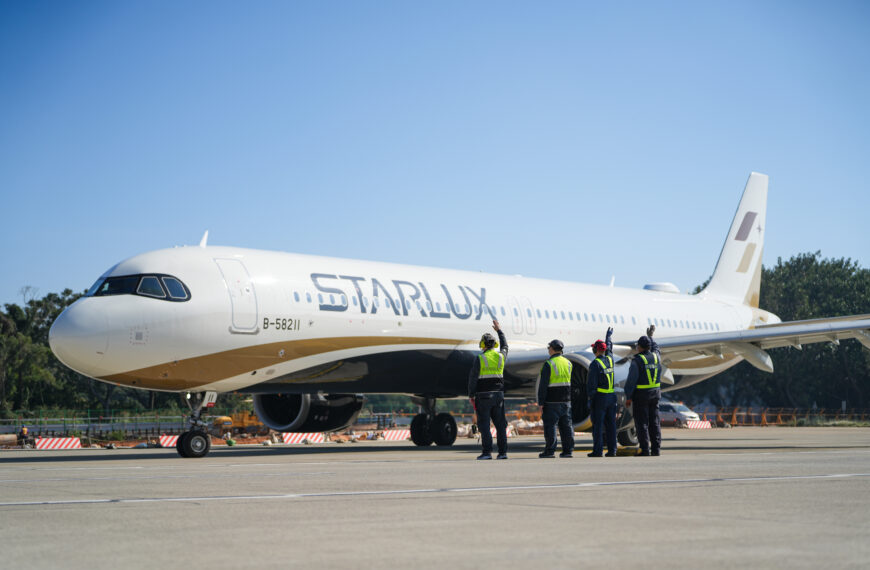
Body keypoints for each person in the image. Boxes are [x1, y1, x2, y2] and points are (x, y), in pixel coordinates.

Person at [468, 319, 509, 460]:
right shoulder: (500, 357)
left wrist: (471, 395)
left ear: (483, 344)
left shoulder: (480, 358)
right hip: (499, 396)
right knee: (500, 425)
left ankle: (487, 453)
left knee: (484, 425)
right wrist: (499, 331)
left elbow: (473, 378)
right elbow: (505, 346)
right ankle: (503, 453)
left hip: (483, 396)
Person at [624, 325, 662, 456]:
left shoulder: (637, 361)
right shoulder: (657, 357)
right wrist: (651, 337)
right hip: (655, 395)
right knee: (654, 423)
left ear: (639, 347)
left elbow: (631, 381)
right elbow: (657, 348)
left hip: (641, 396)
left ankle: (645, 449)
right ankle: (656, 449)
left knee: (642, 424)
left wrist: (628, 396)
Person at [536, 339, 574, 458]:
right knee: (567, 427)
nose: (548, 350)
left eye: (549, 348)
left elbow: (543, 385)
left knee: (551, 427)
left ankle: (550, 451)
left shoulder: (549, 364)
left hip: (552, 401)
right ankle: (568, 451)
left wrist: (541, 402)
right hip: (566, 401)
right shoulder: (568, 363)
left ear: (552, 349)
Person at [587, 327, 617, 457]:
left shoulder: (595, 364)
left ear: (595, 350)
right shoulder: (610, 359)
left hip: (600, 398)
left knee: (598, 426)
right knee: (611, 425)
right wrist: (608, 338)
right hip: (612, 397)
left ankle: (597, 451)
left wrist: (590, 400)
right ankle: (612, 450)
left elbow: (591, 385)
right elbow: (609, 348)